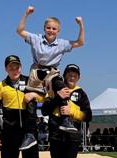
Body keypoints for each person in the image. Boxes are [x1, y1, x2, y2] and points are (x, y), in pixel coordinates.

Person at [16, 5, 85, 150]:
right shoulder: (36, 39)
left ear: (58, 31)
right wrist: (26, 14)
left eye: (54, 29)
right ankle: (30, 134)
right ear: (44, 28)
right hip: (37, 71)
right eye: (48, 28)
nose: (51, 31)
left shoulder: (62, 44)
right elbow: (20, 31)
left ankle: (66, 120)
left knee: (62, 88)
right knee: (28, 99)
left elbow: (80, 43)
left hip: (52, 73)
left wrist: (81, 25)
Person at [41, 64, 92, 158]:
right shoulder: (53, 90)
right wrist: (58, 98)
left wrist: (73, 111)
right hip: (56, 134)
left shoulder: (81, 93)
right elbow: (44, 110)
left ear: (79, 77)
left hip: (72, 135)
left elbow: (88, 115)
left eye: (75, 74)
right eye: (69, 74)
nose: (72, 76)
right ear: (64, 76)